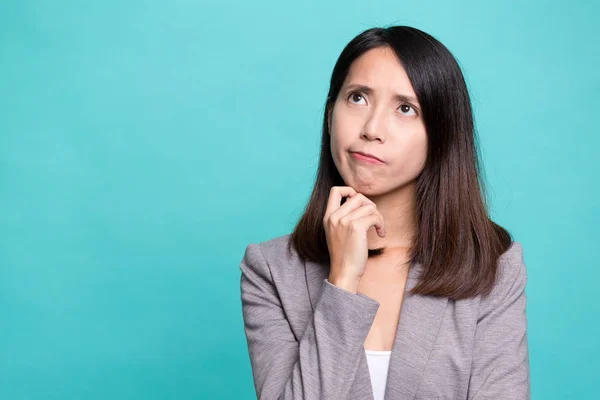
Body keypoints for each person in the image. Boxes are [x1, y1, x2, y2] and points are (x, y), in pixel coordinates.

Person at [239, 25, 530, 400]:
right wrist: (342, 281)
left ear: (441, 134)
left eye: (406, 109)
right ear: (330, 115)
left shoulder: (493, 266)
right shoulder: (271, 271)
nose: (372, 129)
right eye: (357, 98)